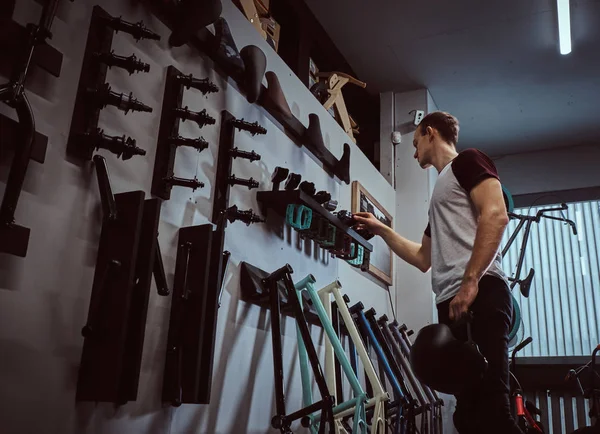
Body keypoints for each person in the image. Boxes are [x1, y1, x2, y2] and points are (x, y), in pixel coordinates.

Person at [353, 111, 523, 434]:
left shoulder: (468, 162)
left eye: (415, 142)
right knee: (468, 415)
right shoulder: (441, 191)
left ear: (430, 132)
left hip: (479, 294)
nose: (413, 150)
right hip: (454, 303)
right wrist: (380, 229)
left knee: (493, 412)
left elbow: (496, 214)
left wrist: (470, 282)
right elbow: (422, 257)